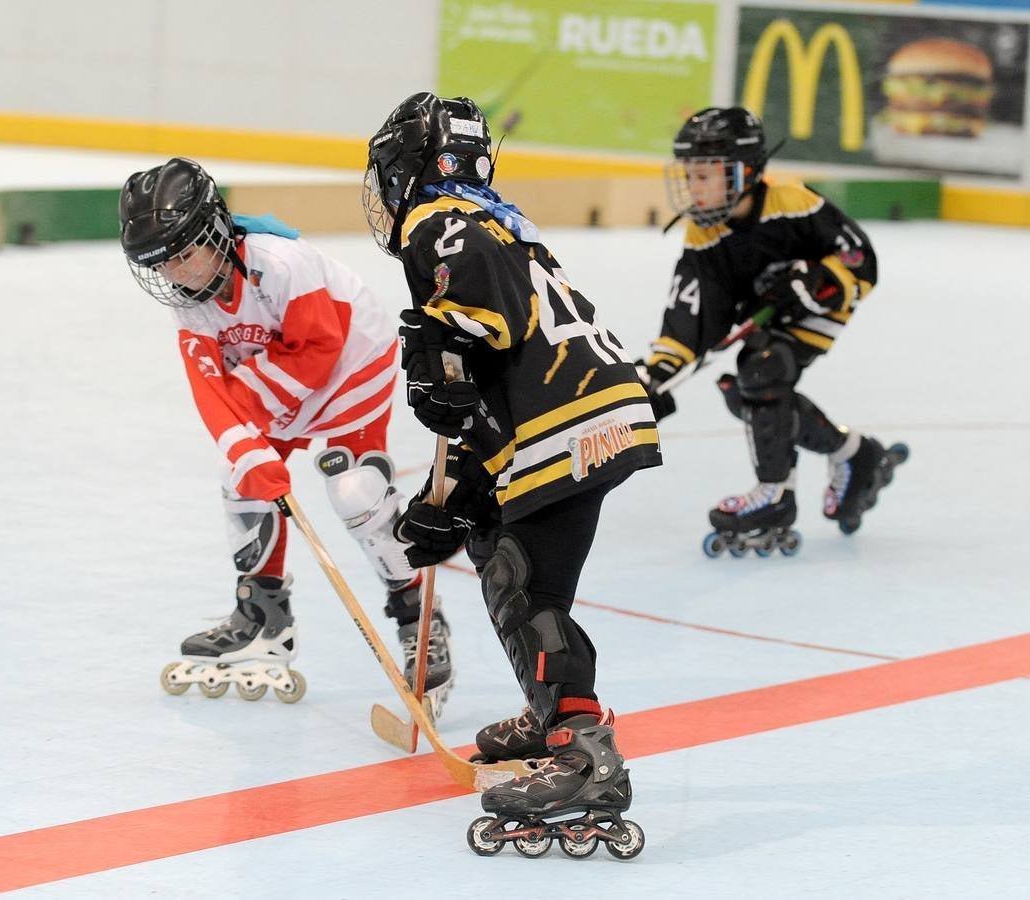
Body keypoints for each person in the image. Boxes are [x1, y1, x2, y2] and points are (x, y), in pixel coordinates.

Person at [364, 92, 660, 854]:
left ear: (409, 171)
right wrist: (453, 497)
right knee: (500, 546)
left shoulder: (436, 223)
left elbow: (478, 331)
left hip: (566, 420)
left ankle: (581, 750)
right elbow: (489, 378)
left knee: (522, 584)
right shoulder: (496, 219)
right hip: (590, 410)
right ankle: (550, 705)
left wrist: (437, 351)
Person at [119, 157, 452, 707]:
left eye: (183, 254)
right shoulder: (190, 304)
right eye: (162, 265)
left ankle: (418, 614)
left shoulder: (281, 264)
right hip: (280, 369)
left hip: (350, 363)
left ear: (216, 231)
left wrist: (248, 415)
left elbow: (319, 347)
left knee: (356, 491)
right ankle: (262, 613)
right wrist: (247, 449)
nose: (175, 275)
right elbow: (208, 389)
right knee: (240, 474)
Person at [642, 106, 905, 556]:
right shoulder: (704, 236)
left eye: (706, 176)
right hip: (764, 316)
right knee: (744, 394)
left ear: (744, 173)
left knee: (762, 370)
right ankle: (856, 454)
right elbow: (691, 318)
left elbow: (861, 259)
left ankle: (774, 494)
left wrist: (816, 282)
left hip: (818, 309)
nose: (693, 188)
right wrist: (655, 374)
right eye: (690, 176)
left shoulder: (792, 201)